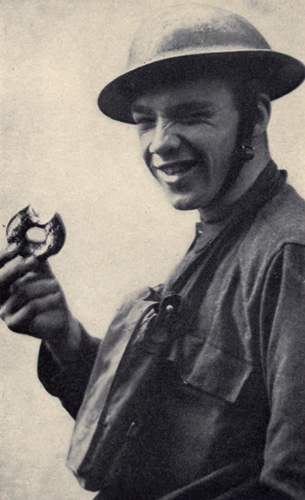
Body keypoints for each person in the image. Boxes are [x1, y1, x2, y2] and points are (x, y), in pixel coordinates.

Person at [1, 4, 305, 500]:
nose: (160, 143)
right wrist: (65, 336)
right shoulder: (220, 232)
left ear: (256, 117)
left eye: (191, 115)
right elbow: (146, 431)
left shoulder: (288, 254)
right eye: (146, 121)